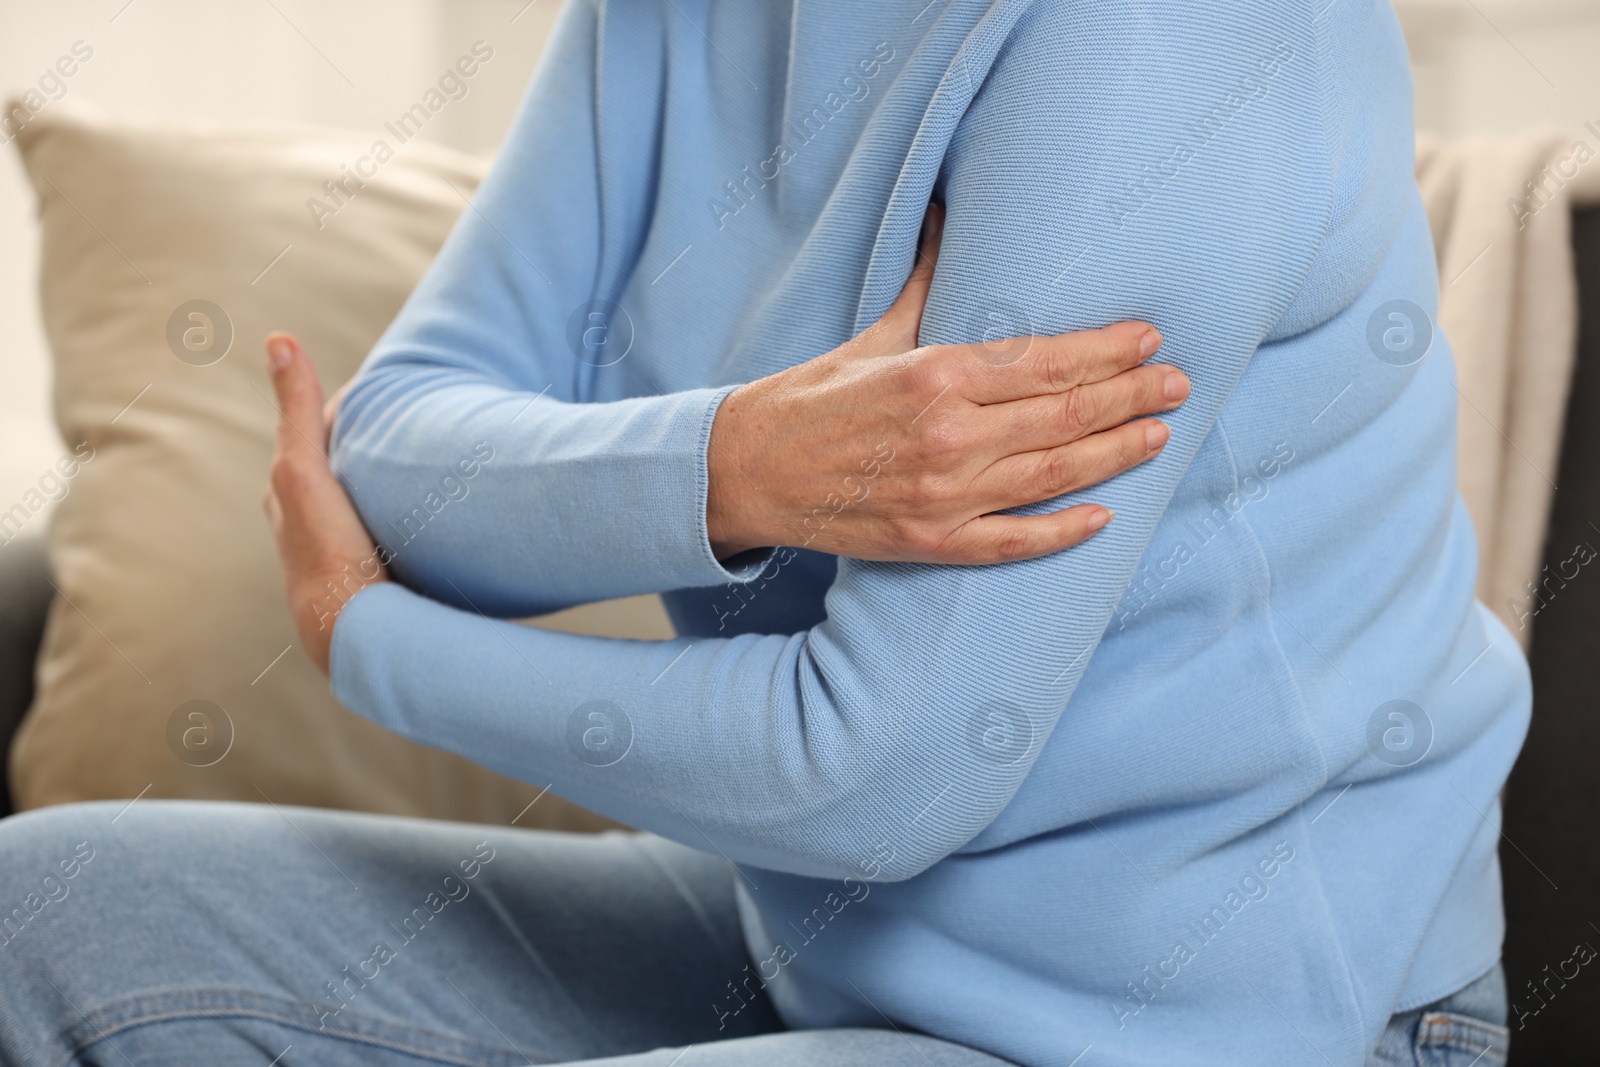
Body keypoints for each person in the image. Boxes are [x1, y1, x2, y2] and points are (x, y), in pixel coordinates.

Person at [0, 1, 1527, 1065]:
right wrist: (736, 466)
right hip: (813, 943)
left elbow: (875, 771)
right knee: (36, 917)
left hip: (1219, 1025)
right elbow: (394, 458)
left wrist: (369, 642)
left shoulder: (1163, 32)